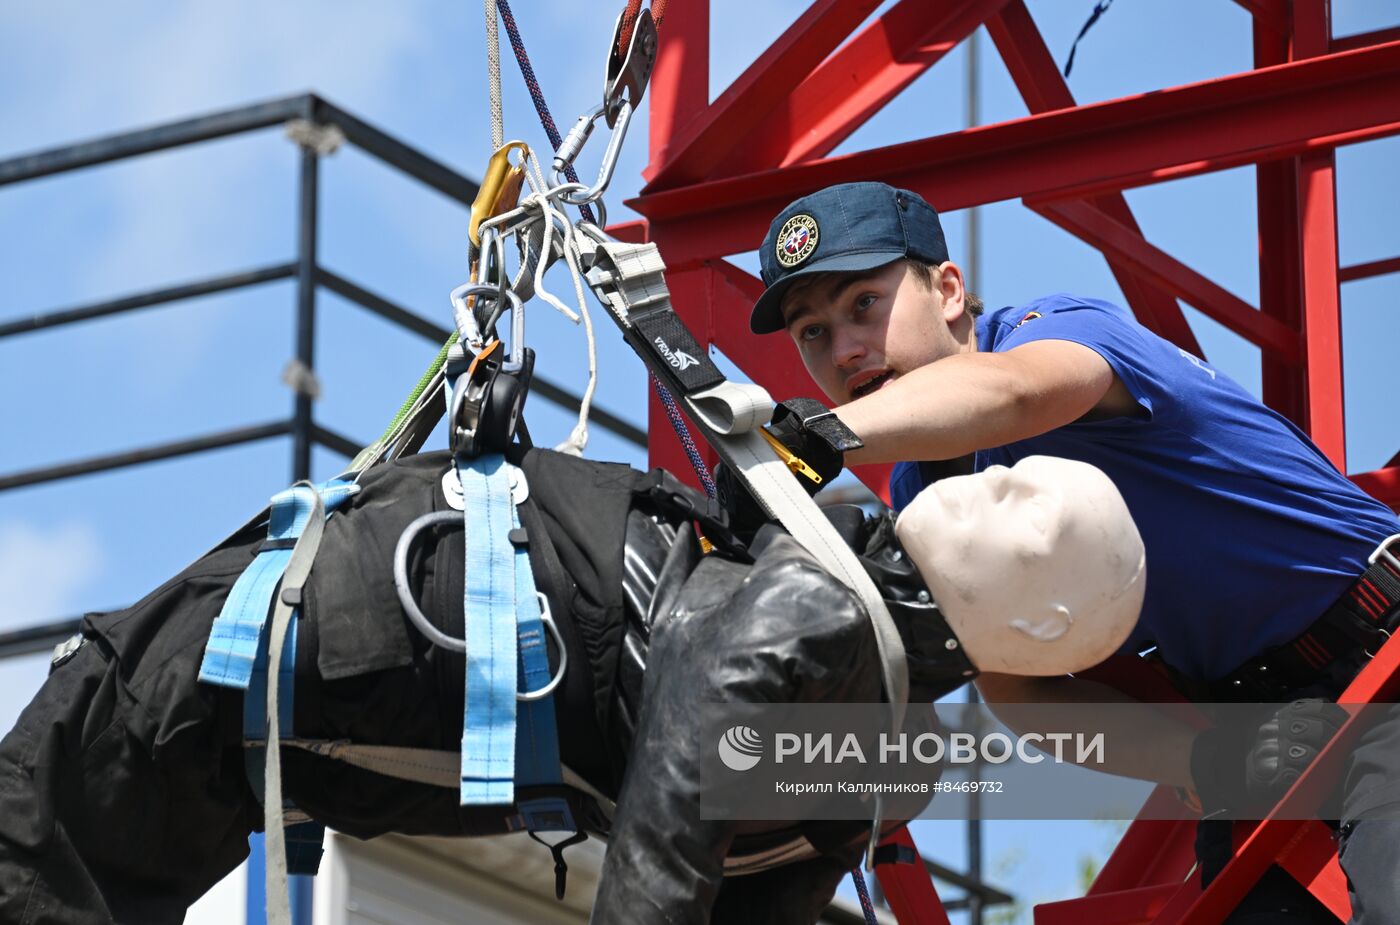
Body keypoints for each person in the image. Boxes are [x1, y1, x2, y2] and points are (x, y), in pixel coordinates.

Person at [0, 441, 1146, 925]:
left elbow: (677, 799)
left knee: (38, 837)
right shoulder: (861, 730)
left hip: (269, 672)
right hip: (305, 687)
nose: (981, 478)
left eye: (1018, 503)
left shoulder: (821, 611)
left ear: (1035, 622)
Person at [747, 180, 1400, 923]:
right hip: (1263, 734)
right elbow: (1017, 688)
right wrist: (1201, 762)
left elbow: (1016, 394)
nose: (845, 348)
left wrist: (820, 437)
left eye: (864, 303)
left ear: (950, 289)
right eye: (812, 332)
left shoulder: (1052, 330)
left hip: (1387, 654)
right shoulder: (923, 487)